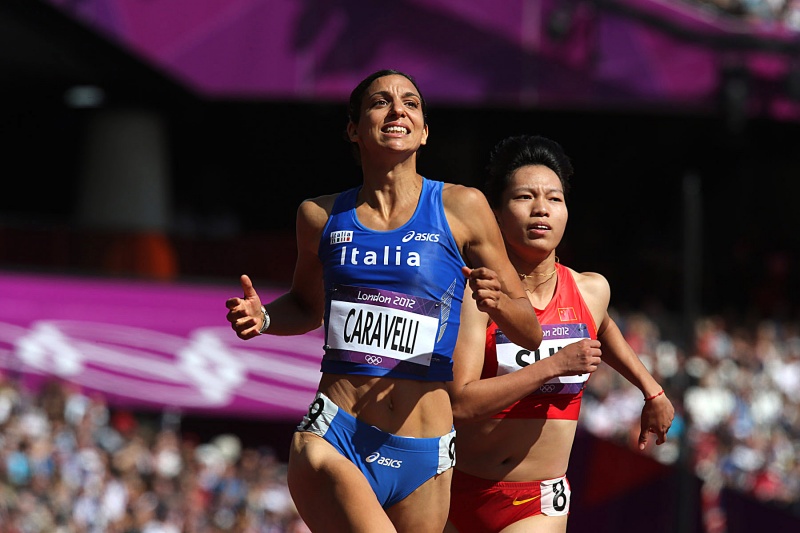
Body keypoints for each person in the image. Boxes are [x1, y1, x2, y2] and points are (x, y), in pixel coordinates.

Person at [225, 70, 543, 533]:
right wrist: (266, 317)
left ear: (425, 131)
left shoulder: (463, 207)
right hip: (336, 437)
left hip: (424, 452)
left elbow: (530, 331)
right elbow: (307, 307)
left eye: (411, 103)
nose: (397, 110)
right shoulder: (319, 216)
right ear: (354, 129)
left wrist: (499, 304)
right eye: (381, 102)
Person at [445, 135, 675, 533]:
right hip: (454, 491)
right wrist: (553, 366)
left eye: (554, 198)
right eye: (524, 197)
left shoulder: (591, 290)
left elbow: (603, 326)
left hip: (537, 501)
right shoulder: (479, 294)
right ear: (495, 215)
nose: (541, 209)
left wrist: (651, 389)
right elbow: (460, 404)